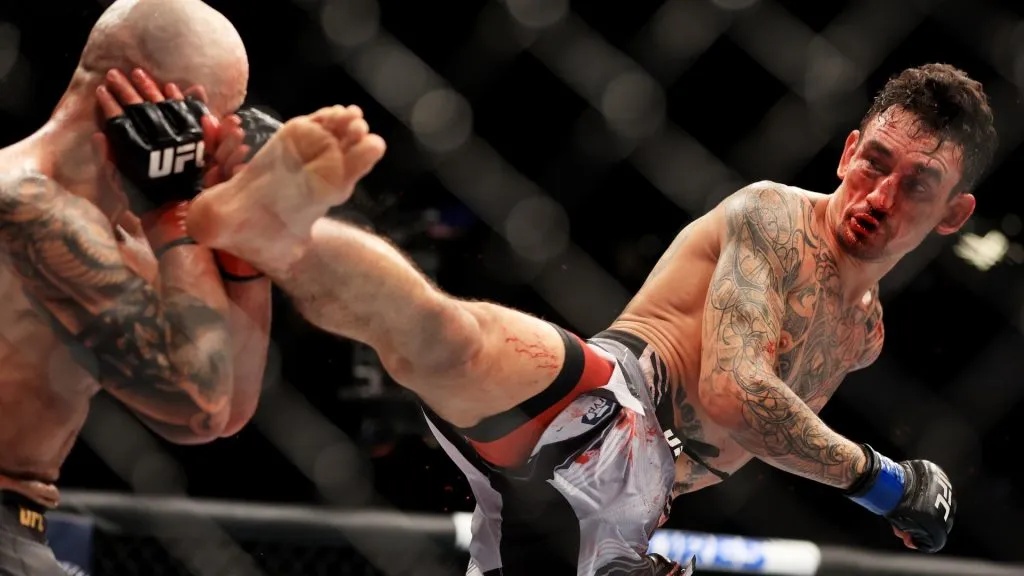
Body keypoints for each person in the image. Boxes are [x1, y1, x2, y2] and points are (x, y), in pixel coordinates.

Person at [113, 62, 992, 574]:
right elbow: (732, 394)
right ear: (847, 151)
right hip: (612, 404)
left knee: (442, 344)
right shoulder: (773, 216)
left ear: (952, 213)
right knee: (448, 336)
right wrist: (886, 481)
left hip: (616, 515)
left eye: (915, 184)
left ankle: (269, 236)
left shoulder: (866, 334)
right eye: (872, 161)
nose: (878, 194)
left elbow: (753, 437)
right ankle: (274, 232)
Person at [0, 0, 272, 573]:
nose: (224, 140)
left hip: (21, 529)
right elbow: (194, 393)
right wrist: (175, 213)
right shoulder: (25, 204)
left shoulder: (129, 239)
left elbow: (219, 416)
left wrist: (247, 250)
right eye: (223, 115)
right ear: (171, 106)